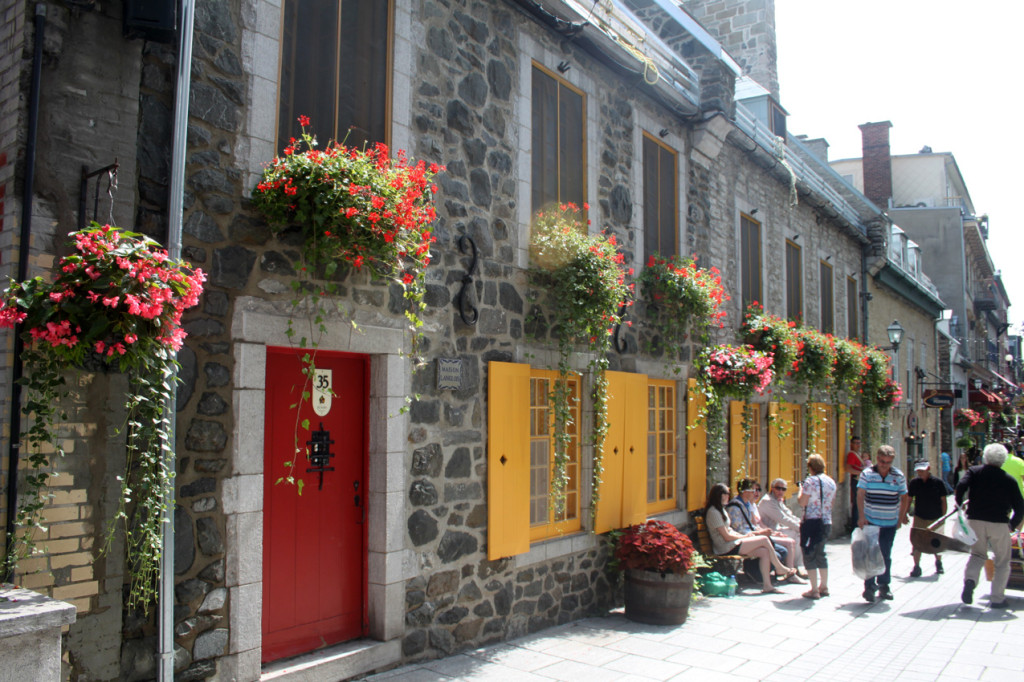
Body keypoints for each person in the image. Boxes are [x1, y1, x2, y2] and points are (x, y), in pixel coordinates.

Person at [955, 443, 1024, 608]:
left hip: (975, 520)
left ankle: (970, 580)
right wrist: (1012, 525)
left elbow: (961, 486)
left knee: (977, 555)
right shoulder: (1009, 479)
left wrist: (959, 504)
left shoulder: (974, 472)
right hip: (999, 523)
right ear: (1003, 460)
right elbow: (1020, 507)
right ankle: (997, 598)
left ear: (985, 457)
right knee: (1002, 561)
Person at [703, 483, 798, 593]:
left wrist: (747, 536)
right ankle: (779, 567)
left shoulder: (721, 510)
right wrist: (744, 536)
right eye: (727, 494)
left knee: (764, 552)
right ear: (720, 495)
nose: (728, 496)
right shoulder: (714, 512)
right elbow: (726, 537)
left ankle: (767, 585)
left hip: (733, 543)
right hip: (724, 547)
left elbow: (730, 532)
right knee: (764, 539)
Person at [857, 445, 909, 602]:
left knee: (885, 554)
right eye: (882, 461)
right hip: (871, 521)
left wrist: (900, 518)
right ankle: (869, 587)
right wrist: (861, 516)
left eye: (888, 462)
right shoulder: (867, 474)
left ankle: (884, 585)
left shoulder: (898, 476)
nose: (884, 465)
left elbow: (904, 497)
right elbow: (860, 494)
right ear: (877, 458)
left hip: (889, 522)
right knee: (870, 554)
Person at [728, 479, 802, 583]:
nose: (755, 493)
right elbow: (738, 530)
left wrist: (763, 532)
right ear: (745, 491)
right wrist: (759, 533)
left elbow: (753, 526)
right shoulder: (735, 507)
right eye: (753, 490)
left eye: (757, 490)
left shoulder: (747, 505)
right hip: (741, 540)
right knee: (773, 548)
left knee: (782, 550)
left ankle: (779, 574)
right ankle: (768, 572)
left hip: (753, 536)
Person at [798, 454, 836, 599]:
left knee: (809, 554)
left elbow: (802, 502)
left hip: (811, 521)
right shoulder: (831, 482)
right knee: (821, 553)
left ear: (811, 467)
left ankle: (814, 589)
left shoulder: (810, 481)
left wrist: (801, 490)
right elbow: (831, 504)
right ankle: (824, 586)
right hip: (826, 522)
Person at [759, 477, 808, 578]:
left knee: (798, 533)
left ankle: (798, 565)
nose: (781, 491)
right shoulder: (768, 501)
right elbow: (783, 519)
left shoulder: (777, 500)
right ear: (772, 488)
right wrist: (802, 528)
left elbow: (789, 515)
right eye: (778, 488)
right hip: (769, 532)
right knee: (797, 533)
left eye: (783, 489)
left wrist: (803, 524)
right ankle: (796, 566)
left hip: (776, 530)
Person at [907, 460, 948, 577]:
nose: (920, 473)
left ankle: (939, 563)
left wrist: (943, 517)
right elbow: (909, 499)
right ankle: (916, 566)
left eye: (922, 470)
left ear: (928, 469)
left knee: (936, 541)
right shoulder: (914, 483)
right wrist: (904, 514)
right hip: (920, 516)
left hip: (935, 517)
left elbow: (943, 500)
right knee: (917, 541)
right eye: (918, 471)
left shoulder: (938, 483)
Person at [845, 436, 869, 526]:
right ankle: (855, 524)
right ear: (851, 444)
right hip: (856, 480)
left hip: (860, 480)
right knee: (857, 502)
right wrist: (862, 473)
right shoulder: (852, 454)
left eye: (859, 443)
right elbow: (848, 468)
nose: (858, 445)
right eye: (856, 443)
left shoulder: (858, 454)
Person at [1000, 446, 1024, 514]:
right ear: (1012, 451)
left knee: (1005, 513)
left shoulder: (997, 461)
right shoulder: (1019, 461)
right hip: (1018, 491)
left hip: (1001, 492)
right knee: (1020, 513)